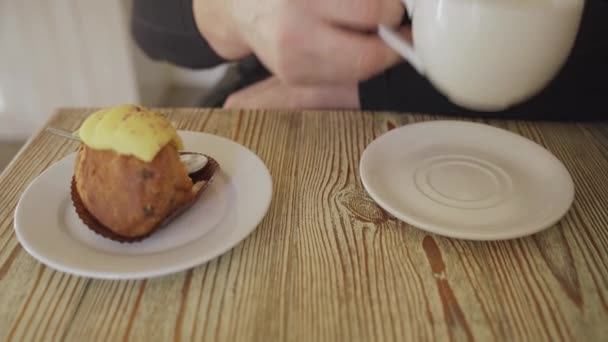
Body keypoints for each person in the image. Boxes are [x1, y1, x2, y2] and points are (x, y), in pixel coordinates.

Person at [130, 0, 607, 121]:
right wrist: (239, 13)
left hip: (558, 130)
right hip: (273, 102)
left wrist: (373, 87)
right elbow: (151, 23)